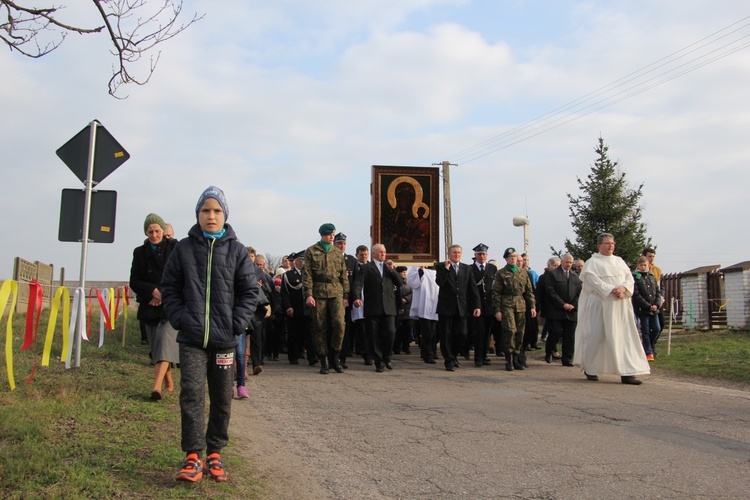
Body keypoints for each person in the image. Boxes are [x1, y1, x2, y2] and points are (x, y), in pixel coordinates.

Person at [162, 186, 259, 482]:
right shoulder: (183, 249)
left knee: (221, 397)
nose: (211, 215)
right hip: (191, 339)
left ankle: (215, 453)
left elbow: (250, 291)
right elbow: (169, 287)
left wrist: (236, 323)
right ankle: (193, 456)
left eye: (217, 211)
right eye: (206, 210)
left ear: (225, 215)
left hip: (225, 341)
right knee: (191, 394)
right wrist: (180, 318)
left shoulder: (237, 251)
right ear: (198, 214)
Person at [572, 233, 650, 385]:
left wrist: (623, 288)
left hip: (621, 305)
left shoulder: (619, 261)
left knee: (624, 337)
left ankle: (627, 373)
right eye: (607, 243)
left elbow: (630, 278)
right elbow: (593, 282)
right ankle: (591, 368)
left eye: (612, 243)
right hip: (601, 304)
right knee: (597, 336)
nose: (611, 246)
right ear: (599, 245)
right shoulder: (592, 262)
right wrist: (612, 289)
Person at [129, 213, 179, 400]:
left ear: (163, 231)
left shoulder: (174, 248)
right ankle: (168, 379)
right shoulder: (139, 253)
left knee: (165, 342)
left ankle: (156, 387)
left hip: (170, 305)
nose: (154, 235)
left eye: (157, 230)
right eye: (150, 231)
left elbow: (180, 275)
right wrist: (152, 292)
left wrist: (163, 294)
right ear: (146, 232)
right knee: (156, 346)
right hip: (149, 304)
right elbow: (134, 280)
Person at [302, 223, 350, 375]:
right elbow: (307, 274)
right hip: (319, 291)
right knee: (319, 325)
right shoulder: (311, 251)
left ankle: (335, 356)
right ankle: (323, 360)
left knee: (339, 324)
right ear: (322, 235)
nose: (332, 237)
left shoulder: (337, 252)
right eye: (329, 234)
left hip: (336, 291)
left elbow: (343, 274)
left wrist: (346, 295)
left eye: (333, 234)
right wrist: (308, 294)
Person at [352, 244, 402, 372]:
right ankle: (378, 361)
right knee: (373, 336)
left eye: (384, 252)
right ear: (373, 254)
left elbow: (399, 283)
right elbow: (358, 284)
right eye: (380, 252)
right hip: (373, 307)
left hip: (389, 307)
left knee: (391, 332)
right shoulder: (367, 267)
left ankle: (387, 357)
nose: (383, 254)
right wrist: (356, 297)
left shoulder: (389, 268)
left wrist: (392, 270)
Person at [435, 244, 482, 371]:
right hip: (446, 307)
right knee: (446, 335)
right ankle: (448, 360)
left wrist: (477, 305)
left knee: (462, 334)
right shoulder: (441, 266)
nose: (457, 255)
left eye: (459, 253)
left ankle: (454, 355)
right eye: (454, 252)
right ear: (449, 254)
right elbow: (440, 282)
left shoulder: (467, 268)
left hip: (462, 307)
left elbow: (472, 288)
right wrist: (446, 269)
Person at [492, 247, 536, 371]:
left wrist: (532, 306)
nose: (513, 258)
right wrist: (497, 310)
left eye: (515, 256)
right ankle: (509, 358)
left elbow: (529, 291)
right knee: (510, 330)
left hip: (521, 304)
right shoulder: (501, 273)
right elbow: (496, 292)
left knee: (520, 332)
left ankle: (517, 357)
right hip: (507, 304)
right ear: (506, 258)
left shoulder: (523, 272)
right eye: (511, 256)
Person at [543, 253, 581, 366]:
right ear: (562, 262)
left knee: (569, 335)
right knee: (555, 332)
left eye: (570, 262)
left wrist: (573, 305)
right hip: (556, 310)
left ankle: (567, 358)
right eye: (566, 262)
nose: (569, 264)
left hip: (571, 310)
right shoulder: (553, 274)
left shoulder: (575, 276)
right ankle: (549, 351)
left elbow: (579, 293)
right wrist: (563, 304)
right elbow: (550, 291)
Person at [281, 251, 316, 366]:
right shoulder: (288, 276)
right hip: (295, 310)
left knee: (310, 334)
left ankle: (312, 357)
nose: (304, 262)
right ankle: (293, 357)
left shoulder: (310, 275)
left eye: (305, 259)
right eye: (301, 259)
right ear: (296, 261)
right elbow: (285, 293)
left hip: (308, 310)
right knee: (293, 334)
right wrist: (288, 307)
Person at [469, 243, 498, 367]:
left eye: (484, 254)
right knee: (479, 332)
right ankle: (478, 357)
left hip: (489, 305)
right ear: (475, 255)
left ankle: (484, 355)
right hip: (477, 305)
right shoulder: (470, 268)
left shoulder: (492, 268)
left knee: (487, 332)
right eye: (479, 254)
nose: (482, 256)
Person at [406, 265, 439, 363]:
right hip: (424, 305)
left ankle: (431, 351)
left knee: (434, 332)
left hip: (436, 304)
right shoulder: (416, 269)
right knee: (427, 332)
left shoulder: (437, 270)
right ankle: (428, 354)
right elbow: (412, 283)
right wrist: (420, 273)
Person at [335, 232, 358, 369]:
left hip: (346, 302)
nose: (341, 246)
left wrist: (354, 298)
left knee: (345, 330)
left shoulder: (351, 261)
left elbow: (355, 282)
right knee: (333, 329)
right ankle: (331, 357)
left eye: (343, 243)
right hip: (332, 299)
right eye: (339, 243)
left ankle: (341, 359)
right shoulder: (329, 259)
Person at [632, 256, 662, 361]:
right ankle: (648, 352)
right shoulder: (635, 277)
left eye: (645, 265)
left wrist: (656, 304)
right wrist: (648, 306)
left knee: (657, 328)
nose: (643, 267)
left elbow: (658, 292)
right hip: (643, 310)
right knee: (645, 331)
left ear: (648, 265)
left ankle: (651, 346)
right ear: (638, 266)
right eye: (641, 265)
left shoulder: (652, 277)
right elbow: (636, 295)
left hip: (654, 309)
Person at [394, 266, 413, 354]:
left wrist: (406, 299)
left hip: (408, 309)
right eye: (402, 272)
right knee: (397, 330)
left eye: (405, 272)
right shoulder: (395, 282)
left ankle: (406, 347)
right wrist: (399, 300)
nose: (404, 273)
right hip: (397, 309)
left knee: (407, 329)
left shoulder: (410, 282)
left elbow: (413, 293)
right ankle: (397, 347)